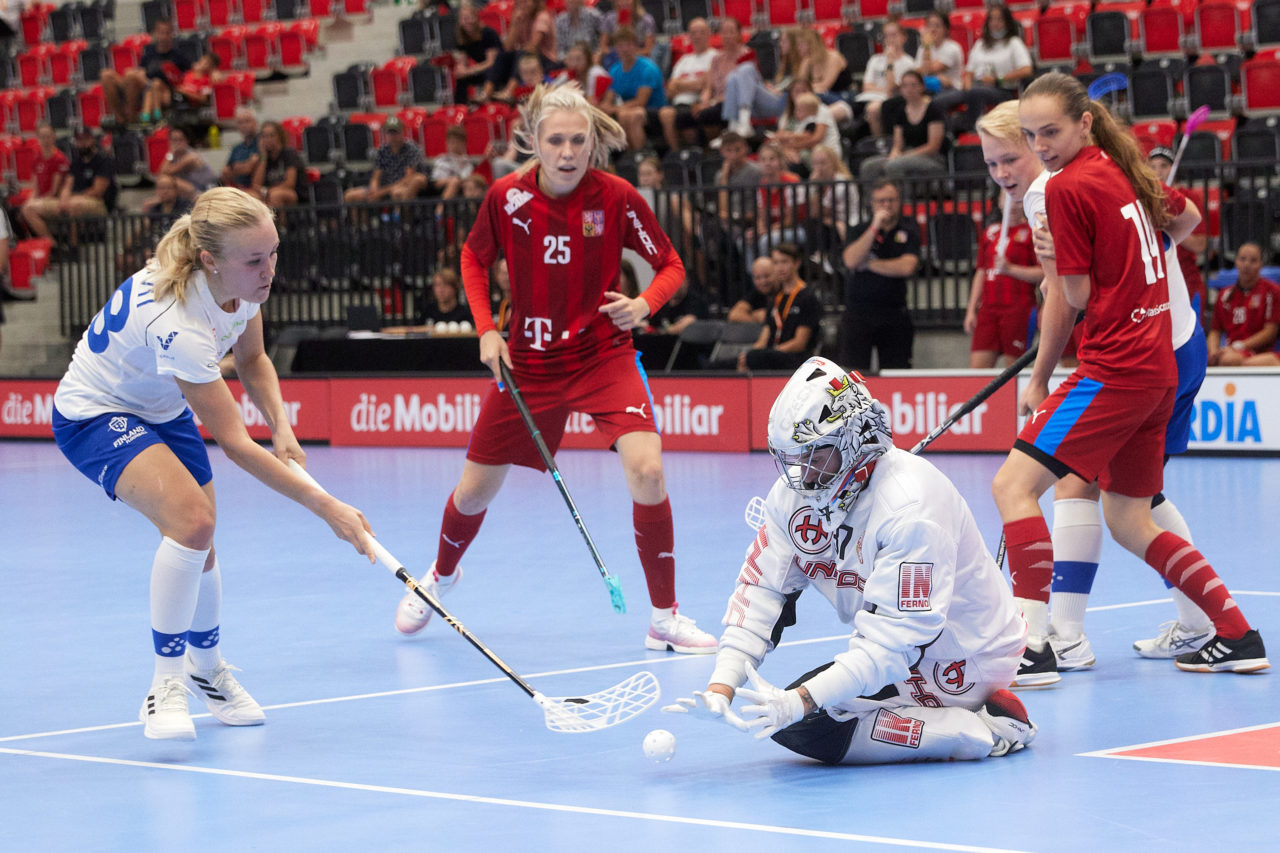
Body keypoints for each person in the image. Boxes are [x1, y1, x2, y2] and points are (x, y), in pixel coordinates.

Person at [391, 82, 717, 655]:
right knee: (472, 495)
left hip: (602, 355)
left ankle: (664, 618)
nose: (569, 152)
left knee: (648, 472)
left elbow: (669, 263)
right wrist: (488, 329)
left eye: (579, 141)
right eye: (556, 141)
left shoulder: (616, 196)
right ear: (533, 143)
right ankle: (441, 578)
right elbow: (473, 256)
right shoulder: (506, 197)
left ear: (593, 143)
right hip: (530, 367)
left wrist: (645, 305)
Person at [50, 187, 374, 740]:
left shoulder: (244, 283)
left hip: (162, 403)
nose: (269, 269)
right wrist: (329, 509)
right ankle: (164, 686)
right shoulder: (177, 322)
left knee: (203, 541)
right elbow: (237, 446)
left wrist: (283, 427)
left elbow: (253, 358)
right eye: (255, 259)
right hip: (96, 412)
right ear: (210, 261)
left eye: (274, 252)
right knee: (191, 523)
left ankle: (207, 669)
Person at [992, 72, 1268, 683]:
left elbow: (1078, 293)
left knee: (1013, 486)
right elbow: (1180, 223)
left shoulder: (1064, 188)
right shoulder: (1126, 171)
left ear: (1084, 122)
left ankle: (1035, 645)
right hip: (1158, 369)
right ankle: (1235, 633)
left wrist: (1050, 263)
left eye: (1050, 133)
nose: (1041, 147)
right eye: (1031, 136)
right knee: (1129, 518)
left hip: (1113, 369)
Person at [663, 357, 1037, 765]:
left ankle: (976, 730)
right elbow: (761, 592)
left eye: (815, 458)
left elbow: (895, 642)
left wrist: (801, 702)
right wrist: (722, 686)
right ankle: (948, 719)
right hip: (911, 649)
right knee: (806, 713)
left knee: (806, 722)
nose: (802, 478)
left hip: (965, 658)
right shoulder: (796, 496)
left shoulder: (912, 509)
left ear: (854, 440)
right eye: (792, 461)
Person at [839, 179, 920, 372]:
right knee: (854, 375)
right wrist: (875, 227)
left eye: (891, 200)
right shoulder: (859, 229)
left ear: (899, 201)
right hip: (858, 314)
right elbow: (851, 260)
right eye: (881, 201)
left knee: (896, 372)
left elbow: (906, 267)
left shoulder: (909, 229)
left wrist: (868, 264)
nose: (886, 205)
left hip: (894, 314)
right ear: (872, 203)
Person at [963, 190, 1040, 368]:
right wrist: (971, 309)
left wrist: (1011, 269)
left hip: (1019, 308)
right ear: (999, 202)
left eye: (1017, 201)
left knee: (1013, 371)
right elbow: (981, 272)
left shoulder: (1032, 232)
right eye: (1007, 199)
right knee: (977, 374)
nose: (1012, 205)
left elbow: (1044, 273)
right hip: (988, 310)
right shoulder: (990, 233)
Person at [933, 4, 1031, 134]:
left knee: (975, 92)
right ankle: (946, 134)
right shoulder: (980, 44)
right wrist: (967, 84)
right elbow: (969, 72)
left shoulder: (1014, 43)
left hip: (1002, 88)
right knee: (939, 101)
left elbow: (1026, 70)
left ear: (1007, 22)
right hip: (974, 87)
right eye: (992, 19)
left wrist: (998, 79)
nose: (995, 23)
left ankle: (969, 126)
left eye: (999, 19)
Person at [21, 127, 118, 243]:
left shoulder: (104, 161)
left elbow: (97, 191)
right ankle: (52, 244)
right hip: (72, 199)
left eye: (85, 139)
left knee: (74, 205)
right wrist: (64, 197)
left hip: (98, 203)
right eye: (79, 140)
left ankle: (74, 247)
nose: (82, 143)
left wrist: (74, 197)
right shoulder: (76, 162)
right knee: (28, 208)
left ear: (92, 140)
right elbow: (68, 184)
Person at [737, 243, 822, 372]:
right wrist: (748, 354)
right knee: (723, 364)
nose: (780, 268)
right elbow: (764, 338)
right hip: (771, 355)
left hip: (795, 357)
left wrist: (768, 352)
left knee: (753, 358)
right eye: (776, 263)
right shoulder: (776, 298)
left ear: (796, 263)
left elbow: (800, 343)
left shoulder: (807, 297)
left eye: (784, 262)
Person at [1148, 147, 1208, 329]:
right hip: (1155, 285)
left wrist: (1169, 223)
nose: (1158, 172)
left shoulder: (1188, 198)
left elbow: (1200, 245)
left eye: (1164, 166)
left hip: (1186, 281)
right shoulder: (1142, 198)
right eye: (1152, 166)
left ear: (1174, 168)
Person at [858, 70, 949, 182]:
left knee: (895, 165)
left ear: (922, 87)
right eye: (905, 86)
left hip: (931, 157)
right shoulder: (901, 111)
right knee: (869, 166)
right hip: (906, 154)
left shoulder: (933, 109)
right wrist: (894, 154)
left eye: (913, 85)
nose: (909, 89)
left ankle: (901, 198)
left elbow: (933, 146)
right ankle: (873, 199)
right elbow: (898, 144)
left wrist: (906, 155)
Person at [100, 17, 191, 127]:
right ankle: (119, 116)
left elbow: (191, 74)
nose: (164, 37)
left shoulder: (178, 55)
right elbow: (143, 70)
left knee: (131, 76)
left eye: (167, 33)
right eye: (161, 33)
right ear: (155, 34)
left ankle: (130, 115)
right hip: (143, 84)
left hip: (160, 89)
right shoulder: (149, 51)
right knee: (106, 75)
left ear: (172, 34)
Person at [1207, 242, 1280, 367]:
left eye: (1253, 260)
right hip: (1232, 352)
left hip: (1262, 353)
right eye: (1243, 259)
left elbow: (1270, 332)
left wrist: (1238, 346)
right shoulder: (1225, 295)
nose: (1247, 264)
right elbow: (1215, 331)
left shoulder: (1272, 291)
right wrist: (1213, 352)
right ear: (1236, 262)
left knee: (1229, 360)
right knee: (1206, 361)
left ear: (1261, 264)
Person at [601, 26, 666, 151]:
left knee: (631, 115)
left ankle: (638, 153)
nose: (625, 49)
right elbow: (608, 97)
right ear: (615, 49)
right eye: (620, 46)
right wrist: (605, 107)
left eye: (629, 45)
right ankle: (626, 156)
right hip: (627, 108)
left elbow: (641, 101)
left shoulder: (648, 68)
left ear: (636, 47)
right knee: (614, 114)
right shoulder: (615, 69)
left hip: (654, 109)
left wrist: (616, 108)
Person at [854, 18, 918, 139]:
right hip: (872, 97)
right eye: (886, 36)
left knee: (873, 110)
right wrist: (884, 90)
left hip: (894, 101)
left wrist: (890, 63)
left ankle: (880, 143)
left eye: (894, 35)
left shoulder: (908, 63)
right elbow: (867, 86)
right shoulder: (875, 59)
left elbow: (892, 89)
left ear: (903, 37)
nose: (890, 39)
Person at [657, 17, 715, 153]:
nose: (697, 36)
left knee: (693, 117)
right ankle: (676, 154)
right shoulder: (684, 60)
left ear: (708, 34)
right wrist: (694, 83)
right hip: (678, 104)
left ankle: (703, 153)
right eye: (693, 33)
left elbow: (705, 84)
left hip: (700, 102)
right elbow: (670, 90)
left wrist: (679, 84)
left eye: (701, 32)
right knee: (665, 114)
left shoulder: (714, 57)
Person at [343, 116, 430, 205]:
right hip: (383, 187)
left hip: (402, 186)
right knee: (350, 195)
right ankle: (359, 219)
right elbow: (376, 177)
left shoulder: (411, 149)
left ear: (402, 132)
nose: (393, 136)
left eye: (395, 132)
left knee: (398, 193)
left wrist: (381, 192)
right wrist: (374, 191)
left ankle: (404, 218)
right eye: (389, 133)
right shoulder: (382, 150)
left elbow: (407, 179)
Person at [802, 144, 859, 272]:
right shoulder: (821, 184)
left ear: (833, 163)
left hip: (849, 223)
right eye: (815, 164)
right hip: (832, 223)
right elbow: (813, 213)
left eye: (823, 163)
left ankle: (823, 259)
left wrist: (815, 187)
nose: (819, 168)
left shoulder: (841, 182)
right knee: (809, 223)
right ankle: (819, 259)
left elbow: (818, 212)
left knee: (818, 225)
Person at [775, 84, 841, 176]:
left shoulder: (812, 119)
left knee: (802, 156)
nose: (796, 112)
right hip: (807, 152)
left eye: (804, 91)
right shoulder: (794, 117)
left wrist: (791, 141)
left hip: (825, 153)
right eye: (796, 91)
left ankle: (815, 174)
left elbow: (813, 139)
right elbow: (781, 136)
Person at [18, 123, 70, 234]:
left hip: (55, 200)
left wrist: (34, 202)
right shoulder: (37, 160)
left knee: (27, 210)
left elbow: (54, 191)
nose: (45, 140)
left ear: (54, 137)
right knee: (16, 211)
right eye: (42, 136)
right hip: (41, 200)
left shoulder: (60, 159)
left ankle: (51, 243)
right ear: (38, 138)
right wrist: (31, 200)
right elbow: (35, 188)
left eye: (48, 136)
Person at [454, 1, 503, 104]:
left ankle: (485, 96)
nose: (468, 22)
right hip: (481, 70)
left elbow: (491, 62)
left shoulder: (488, 33)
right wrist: (461, 69)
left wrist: (470, 71)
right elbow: (462, 61)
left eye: (470, 18)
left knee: (490, 70)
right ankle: (460, 107)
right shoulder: (462, 38)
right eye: (464, 19)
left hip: (498, 69)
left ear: (476, 18)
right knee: (461, 78)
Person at [153, 127, 218, 201]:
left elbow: (168, 172)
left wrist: (171, 153)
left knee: (169, 180)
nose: (177, 143)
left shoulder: (192, 155)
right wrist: (170, 153)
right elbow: (160, 174)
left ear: (187, 141)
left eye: (180, 140)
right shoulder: (173, 156)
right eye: (174, 140)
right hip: (188, 190)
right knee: (164, 181)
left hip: (206, 188)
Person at [250, 121, 303, 209]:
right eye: (264, 136)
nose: (268, 139)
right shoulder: (264, 157)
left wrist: (268, 191)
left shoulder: (289, 154)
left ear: (279, 137)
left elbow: (290, 183)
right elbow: (255, 185)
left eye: (271, 135)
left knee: (275, 195)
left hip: (293, 193)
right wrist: (263, 157)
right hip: (268, 192)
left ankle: (280, 223)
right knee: (250, 195)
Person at [917, 11, 965, 93]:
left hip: (951, 89)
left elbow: (928, 71)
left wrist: (927, 47)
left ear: (946, 29)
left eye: (937, 26)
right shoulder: (922, 48)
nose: (933, 30)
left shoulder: (953, 48)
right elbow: (916, 72)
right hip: (927, 88)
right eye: (929, 26)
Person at [425, 125, 474, 201]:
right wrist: (449, 180)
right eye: (451, 142)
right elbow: (435, 181)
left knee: (463, 184)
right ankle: (440, 210)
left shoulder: (467, 162)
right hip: (439, 185)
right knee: (454, 181)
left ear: (464, 143)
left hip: (459, 186)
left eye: (457, 142)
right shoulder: (441, 159)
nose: (454, 145)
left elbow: (464, 178)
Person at [220, 108, 260, 189]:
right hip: (239, 187)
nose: (244, 125)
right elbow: (225, 172)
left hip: (257, 187)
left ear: (255, 123)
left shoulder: (262, 143)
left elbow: (247, 169)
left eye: (247, 121)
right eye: (240, 123)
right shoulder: (236, 148)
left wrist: (236, 167)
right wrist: (244, 166)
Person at [727, 256, 774, 324]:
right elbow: (734, 315)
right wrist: (755, 317)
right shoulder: (757, 292)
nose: (763, 282)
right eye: (758, 278)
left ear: (776, 273)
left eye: (767, 276)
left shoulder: (784, 291)